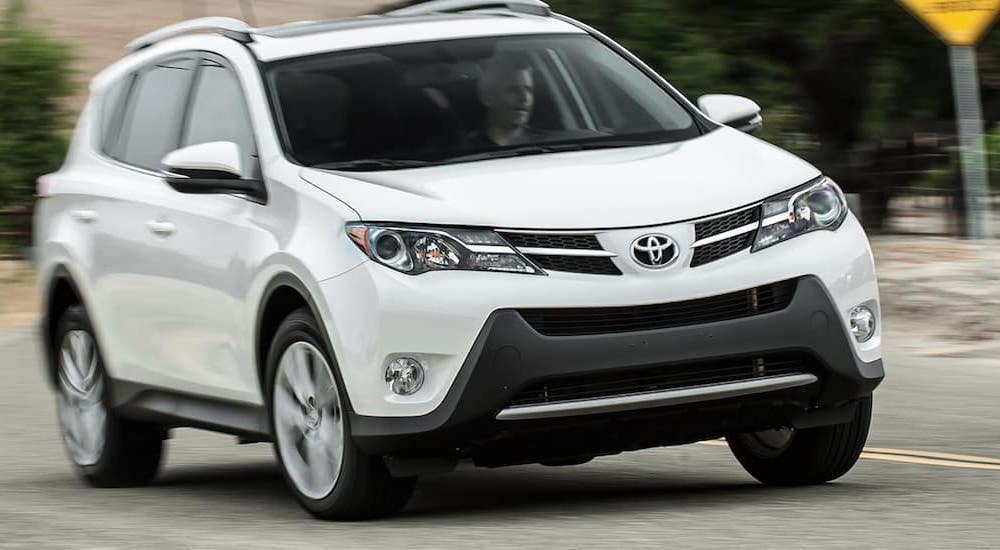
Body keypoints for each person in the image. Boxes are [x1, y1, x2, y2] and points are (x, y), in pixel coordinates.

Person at [470, 52, 535, 148]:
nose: (524, 98)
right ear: (487, 98)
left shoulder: (547, 142)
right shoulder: (468, 150)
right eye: (513, 90)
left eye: (528, 90)